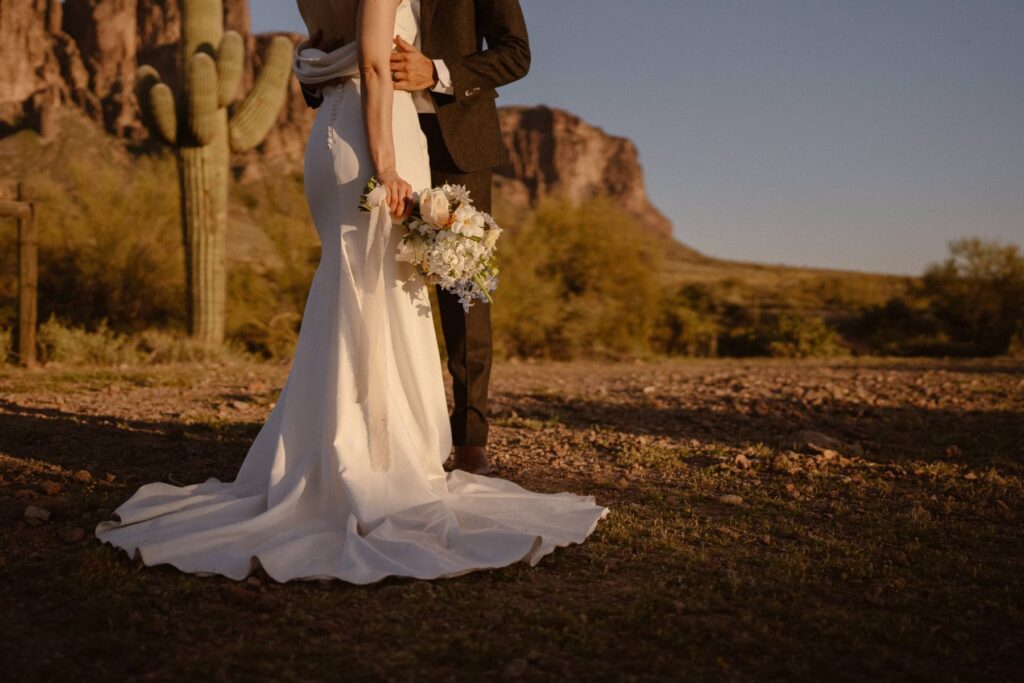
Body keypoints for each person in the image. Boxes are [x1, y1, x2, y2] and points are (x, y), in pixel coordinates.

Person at [95, 0, 606, 584]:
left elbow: (515, 53)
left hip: (450, 129)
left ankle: (466, 443)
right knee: (381, 287)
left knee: (459, 291)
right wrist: (374, 132)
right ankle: (372, 448)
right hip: (381, 134)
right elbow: (343, 57)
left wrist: (435, 72)